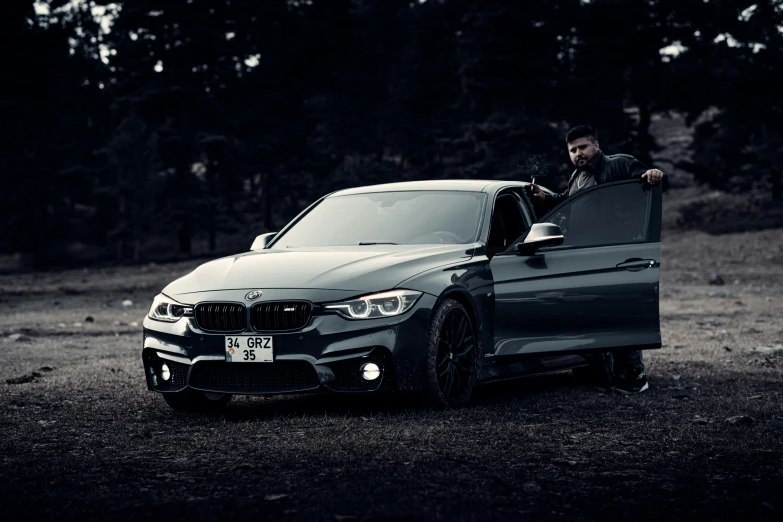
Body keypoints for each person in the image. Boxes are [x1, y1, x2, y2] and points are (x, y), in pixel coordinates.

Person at [530, 125, 669, 394]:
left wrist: (655, 175)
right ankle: (600, 374)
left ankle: (634, 378)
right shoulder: (577, 176)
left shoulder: (618, 165)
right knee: (595, 314)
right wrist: (546, 198)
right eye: (572, 150)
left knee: (619, 314)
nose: (578, 153)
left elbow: (652, 182)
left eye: (582, 147)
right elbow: (568, 203)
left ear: (596, 144)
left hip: (614, 252)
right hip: (585, 254)